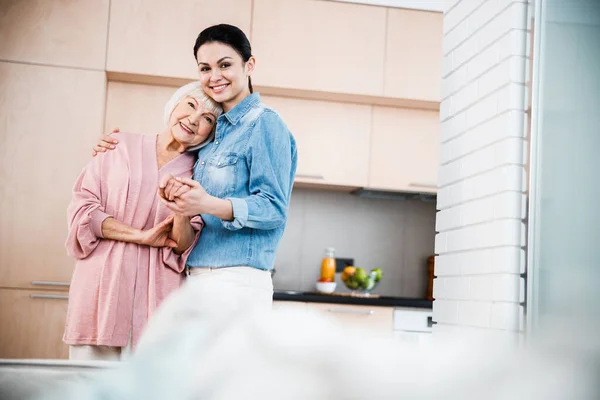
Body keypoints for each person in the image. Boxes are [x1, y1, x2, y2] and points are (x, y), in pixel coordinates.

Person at [93, 24, 298, 315]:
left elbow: (274, 208)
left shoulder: (264, 123)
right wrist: (113, 145)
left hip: (236, 283)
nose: (214, 77)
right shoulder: (214, 135)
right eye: (205, 68)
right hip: (194, 280)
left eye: (225, 65)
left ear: (249, 65)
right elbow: (169, 149)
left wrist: (208, 204)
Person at [64, 81, 222, 361]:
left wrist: (181, 210)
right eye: (190, 104)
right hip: (100, 292)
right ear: (174, 104)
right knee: (86, 385)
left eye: (208, 118)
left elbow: (183, 246)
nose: (194, 119)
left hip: (157, 305)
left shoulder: (201, 172)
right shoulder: (118, 144)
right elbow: (83, 212)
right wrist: (140, 236)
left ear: (212, 130)